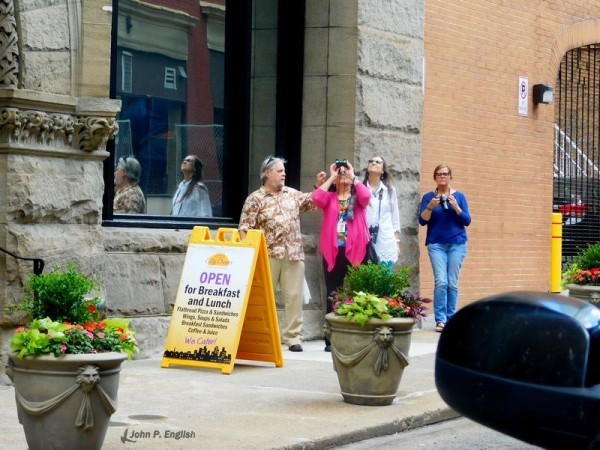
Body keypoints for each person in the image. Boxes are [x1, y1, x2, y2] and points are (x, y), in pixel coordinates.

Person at [238, 156, 321, 353]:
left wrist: (323, 183)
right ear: (267, 173)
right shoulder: (255, 198)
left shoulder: (291, 194)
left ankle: (293, 338)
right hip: (267, 253)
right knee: (262, 297)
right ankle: (262, 335)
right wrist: (247, 255)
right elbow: (244, 228)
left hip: (292, 253)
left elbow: (312, 201)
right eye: (279, 171)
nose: (284, 174)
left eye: (284, 171)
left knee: (294, 296)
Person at [313, 159, 370, 351]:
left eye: (345, 172)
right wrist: (331, 177)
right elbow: (317, 198)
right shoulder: (329, 198)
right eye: (340, 172)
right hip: (334, 250)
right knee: (333, 292)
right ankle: (330, 336)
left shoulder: (357, 198)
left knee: (358, 291)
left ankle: (358, 332)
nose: (343, 174)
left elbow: (367, 196)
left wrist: (353, 175)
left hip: (356, 250)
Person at [418, 164, 471, 333]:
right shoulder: (428, 197)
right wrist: (430, 207)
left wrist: (456, 206)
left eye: (445, 174)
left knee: (452, 283)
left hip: (457, 244)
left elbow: (467, 220)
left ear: (450, 177)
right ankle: (440, 320)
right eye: (439, 174)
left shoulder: (459, 196)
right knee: (441, 281)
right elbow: (422, 221)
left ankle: (451, 318)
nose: (442, 177)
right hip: (437, 244)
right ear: (435, 177)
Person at [363, 156, 401, 269]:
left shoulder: (390, 190)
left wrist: (397, 242)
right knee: (366, 280)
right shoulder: (360, 188)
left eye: (377, 162)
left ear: (383, 170)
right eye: (371, 161)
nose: (373, 162)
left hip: (385, 239)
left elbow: (395, 216)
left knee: (385, 279)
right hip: (364, 238)